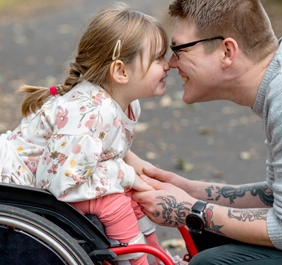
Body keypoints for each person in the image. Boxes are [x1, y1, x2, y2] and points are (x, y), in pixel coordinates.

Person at [132, 0, 282, 264]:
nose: (171, 63)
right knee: (203, 233)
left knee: (208, 260)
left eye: (179, 49)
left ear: (227, 52)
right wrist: (192, 190)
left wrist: (190, 208)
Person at [0, 2, 170, 265]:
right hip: (20, 185)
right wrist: (125, 174)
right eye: (158, 58)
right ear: (121, 72)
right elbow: (58, 184)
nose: (167, 65)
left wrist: (138, 168)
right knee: (115, 202)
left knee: (133, 196)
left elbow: (107, 146)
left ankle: (156, 255)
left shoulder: (125, 104)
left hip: (57, 175)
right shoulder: (90, 114)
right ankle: (138, 260)